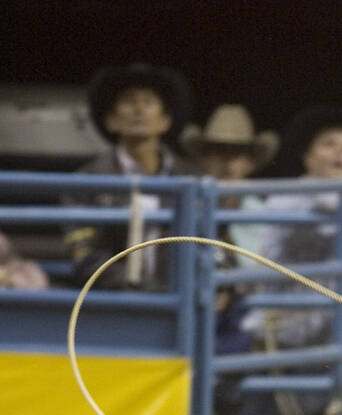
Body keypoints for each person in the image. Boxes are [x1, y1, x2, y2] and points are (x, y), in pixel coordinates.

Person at [65, 63, 196, 288]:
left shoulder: (193, 178)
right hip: (115, 306)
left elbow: (216, 243)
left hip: (180, 301)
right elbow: (84, 254)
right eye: (128, 101)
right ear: (111, 121)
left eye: (148, 102)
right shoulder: (85, 182)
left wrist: (220, 287)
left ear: (165, 121)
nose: (139, 110)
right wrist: (138, 288)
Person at [180, 104, 279, 352]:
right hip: (195, 311)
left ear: (250, 162)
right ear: (204, 158)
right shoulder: (185, 207)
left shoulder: (264, 213)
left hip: (245, 312)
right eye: (219, 152)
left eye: (238, 154)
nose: (229, 163)